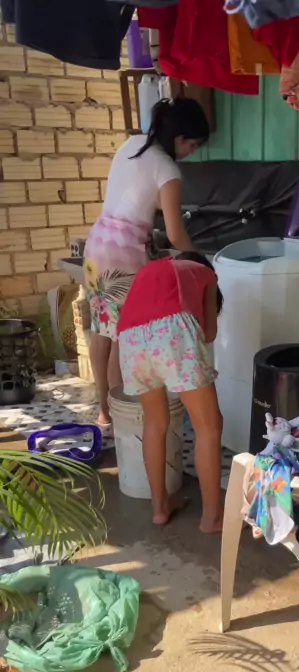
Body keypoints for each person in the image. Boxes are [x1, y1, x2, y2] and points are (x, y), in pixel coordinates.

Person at [83, 97, 210, 426]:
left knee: (101, 329)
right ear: (179, 137)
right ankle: (123, 414)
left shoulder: (132, 144)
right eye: (192, 145)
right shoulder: (167, 169)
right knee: (124, 334)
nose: (191, 152)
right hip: (124, 255)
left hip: (97, 245)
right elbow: (176, 234)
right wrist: (202, 261)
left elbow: (132, 200)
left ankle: (104, 408)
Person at [117, 251, 224, 533]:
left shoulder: (150, 272)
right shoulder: (207, 274)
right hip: (171, 332)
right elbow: (209, 333)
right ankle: (213, 518)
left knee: (155, 422)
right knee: (209, 427)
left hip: (129, 339)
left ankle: (160, 509)